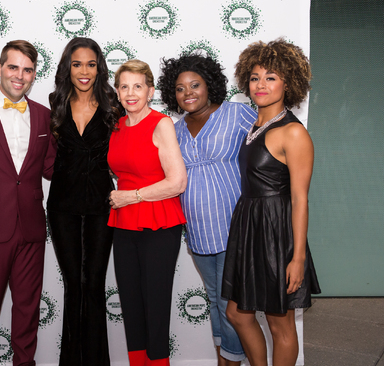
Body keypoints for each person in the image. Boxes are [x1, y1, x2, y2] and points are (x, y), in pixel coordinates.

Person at [221, 38, 321, 366]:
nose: (261, 84)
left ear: (288, 83)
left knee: (280, 322)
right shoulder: (255, 125)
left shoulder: (293, 133)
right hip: (250, 226)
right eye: (254, 77)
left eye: (271, 77)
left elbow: (300, 198)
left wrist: (297, 258)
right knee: (237, 313)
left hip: (277, 233)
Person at [158, 54, 256, 366]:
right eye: (179, 88)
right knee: (215, 300)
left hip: (235, 229)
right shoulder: (174, 129)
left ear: (209, 85)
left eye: (195, 85)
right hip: (199, 233)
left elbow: (269, 149)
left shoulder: (238, 114)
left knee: (232, 304)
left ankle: (233, 360)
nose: (187, 92)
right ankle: (225, 359)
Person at [0, 40, 56, 366]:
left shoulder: (44, 116)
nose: (20, 76)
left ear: (34, 74)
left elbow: (51, 167)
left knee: (27, 308)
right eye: (13, 67)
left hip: (32, 228)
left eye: (28, 69)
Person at [107, 59, 187, 366]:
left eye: (137, 86)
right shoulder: (115, 126)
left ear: (150, 91)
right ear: (116, 91)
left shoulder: (161, 123)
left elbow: (177, 182)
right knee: (131, 303)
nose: (130, 93)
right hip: (124, 223)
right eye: (124, 86)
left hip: (159, 221)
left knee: (155, 304)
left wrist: (132, 196)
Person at [47, 37, 121, 366]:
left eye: (91, 64)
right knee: (73, 284)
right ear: (68, 67)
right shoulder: (55, 102)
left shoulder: (113, 104)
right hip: (62, 206)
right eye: (77, 64)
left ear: (99, 68)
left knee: (94, 283)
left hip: (101, 207)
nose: (84, 71)